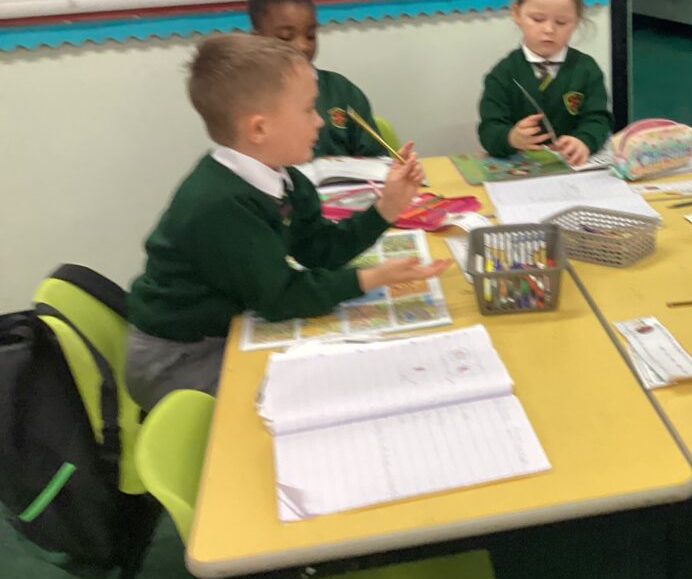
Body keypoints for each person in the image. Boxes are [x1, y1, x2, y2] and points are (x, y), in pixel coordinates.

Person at [125, 34, 449, 412]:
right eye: (309, 109)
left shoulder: (284, 178)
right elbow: (281, 299)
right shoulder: (221, 204)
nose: (320, 121)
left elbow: (318, 250)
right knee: (311, 397)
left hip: (226, 327)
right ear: (259, 129)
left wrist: (385, 210)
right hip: (176, 360)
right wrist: (371, 278)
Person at [477, 0, 612, 166]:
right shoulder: (502, 75)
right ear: (517, 14)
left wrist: (584, 141)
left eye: (561, 22)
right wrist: (511, 138)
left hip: (573, 170)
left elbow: (599, 119)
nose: (549, 29)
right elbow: (488, 130)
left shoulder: (586, 70)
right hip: (521, 173)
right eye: (538, 19)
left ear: (577, 19)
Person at [243, 0, 383, 158]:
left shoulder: (341, 91)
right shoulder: (246, 98)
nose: (302, 46)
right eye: (285, 37)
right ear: (258, 39)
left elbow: (375, 157)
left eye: (310, 35)